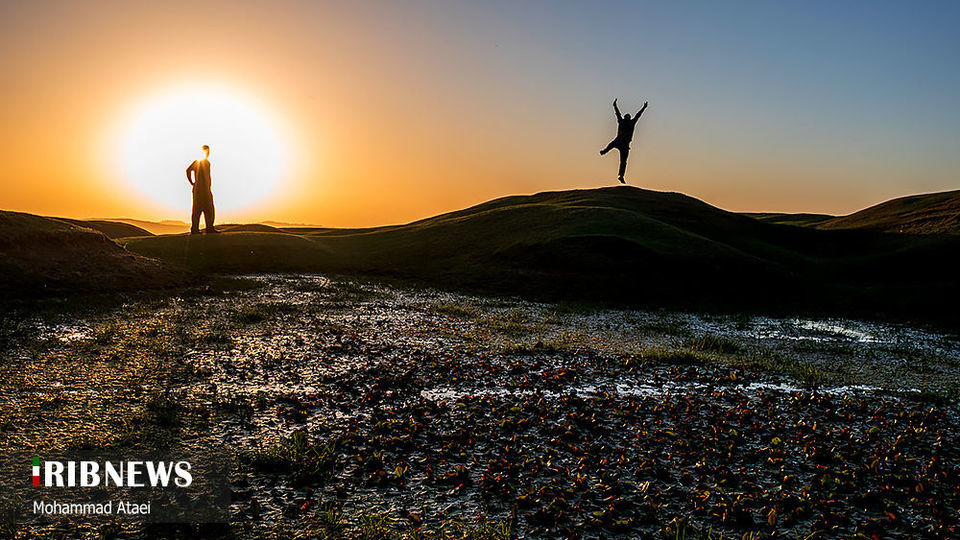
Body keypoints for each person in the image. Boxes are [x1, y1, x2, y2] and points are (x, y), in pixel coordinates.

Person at [600, 99, 648, 183]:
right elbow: (619, 114)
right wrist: (615, 106)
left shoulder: (629, 122)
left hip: (623, 144)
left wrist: (644, 108)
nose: (626, 118)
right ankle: (604, 151)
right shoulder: (625, 121)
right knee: (614, 149)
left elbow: (637, 115)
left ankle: (621, 176)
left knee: (623, 161)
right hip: (621, 142)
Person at [186, 144, 218, 234]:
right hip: (199, 191)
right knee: (197, 209)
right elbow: (188, 170)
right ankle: (195, 229)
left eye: (208, 151)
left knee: (209, 209)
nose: (208, 153)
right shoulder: (197, 162)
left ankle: (209, 228)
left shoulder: (207, 163)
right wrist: (192, 182)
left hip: (206, 190)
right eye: (206, 151)